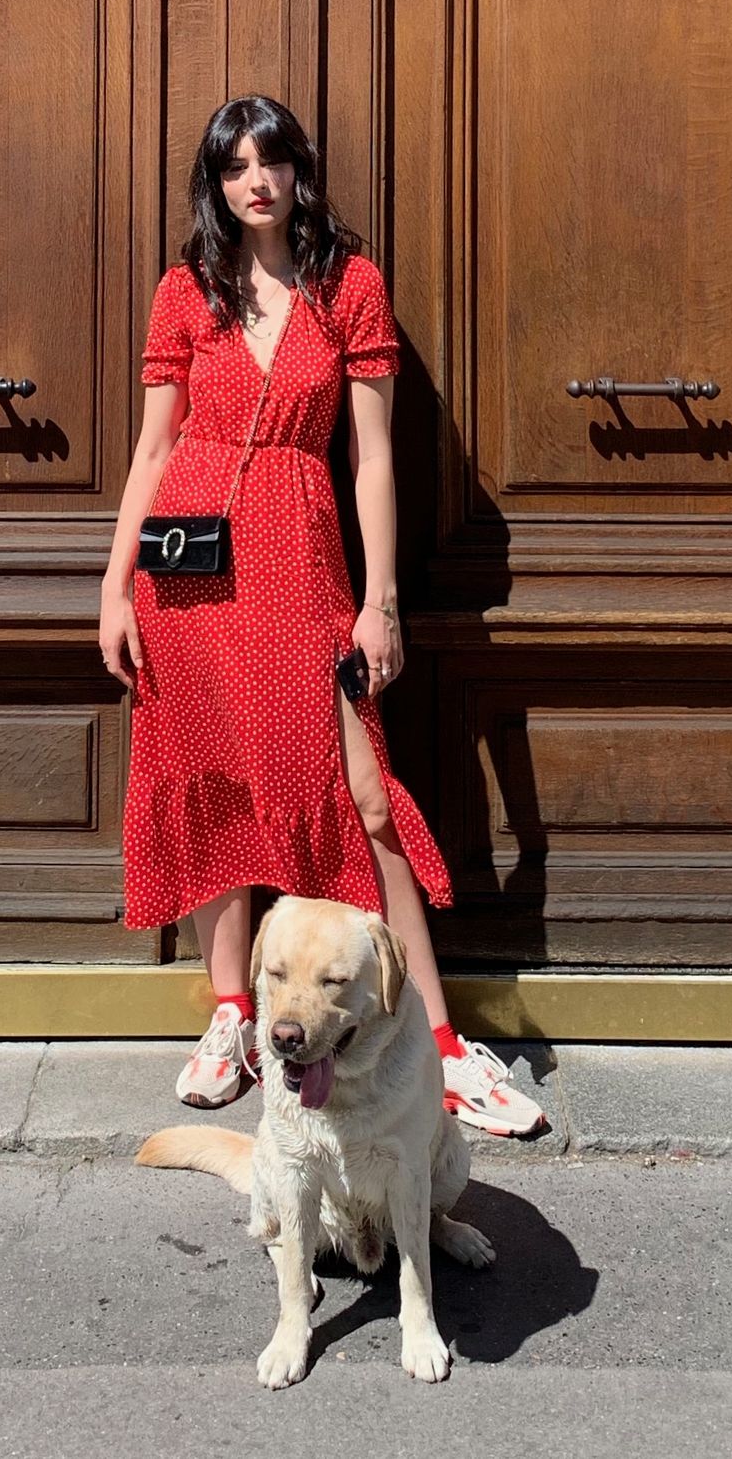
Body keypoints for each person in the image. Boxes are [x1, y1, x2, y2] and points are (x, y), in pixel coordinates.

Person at [99, 92, 544, 1137]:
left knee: (362, 795)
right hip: (190, 573)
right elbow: (154, 449)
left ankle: (436, 1044)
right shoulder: (185, 289)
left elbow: (375, 456)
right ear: (215, 183)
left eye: (271, 160)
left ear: (300, 169)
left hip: (300, 558)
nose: (254, 180)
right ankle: (230, 1014)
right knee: (207, 780)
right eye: (233, 165)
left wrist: (378, 601)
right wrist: (115, 585)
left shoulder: (349, 284)